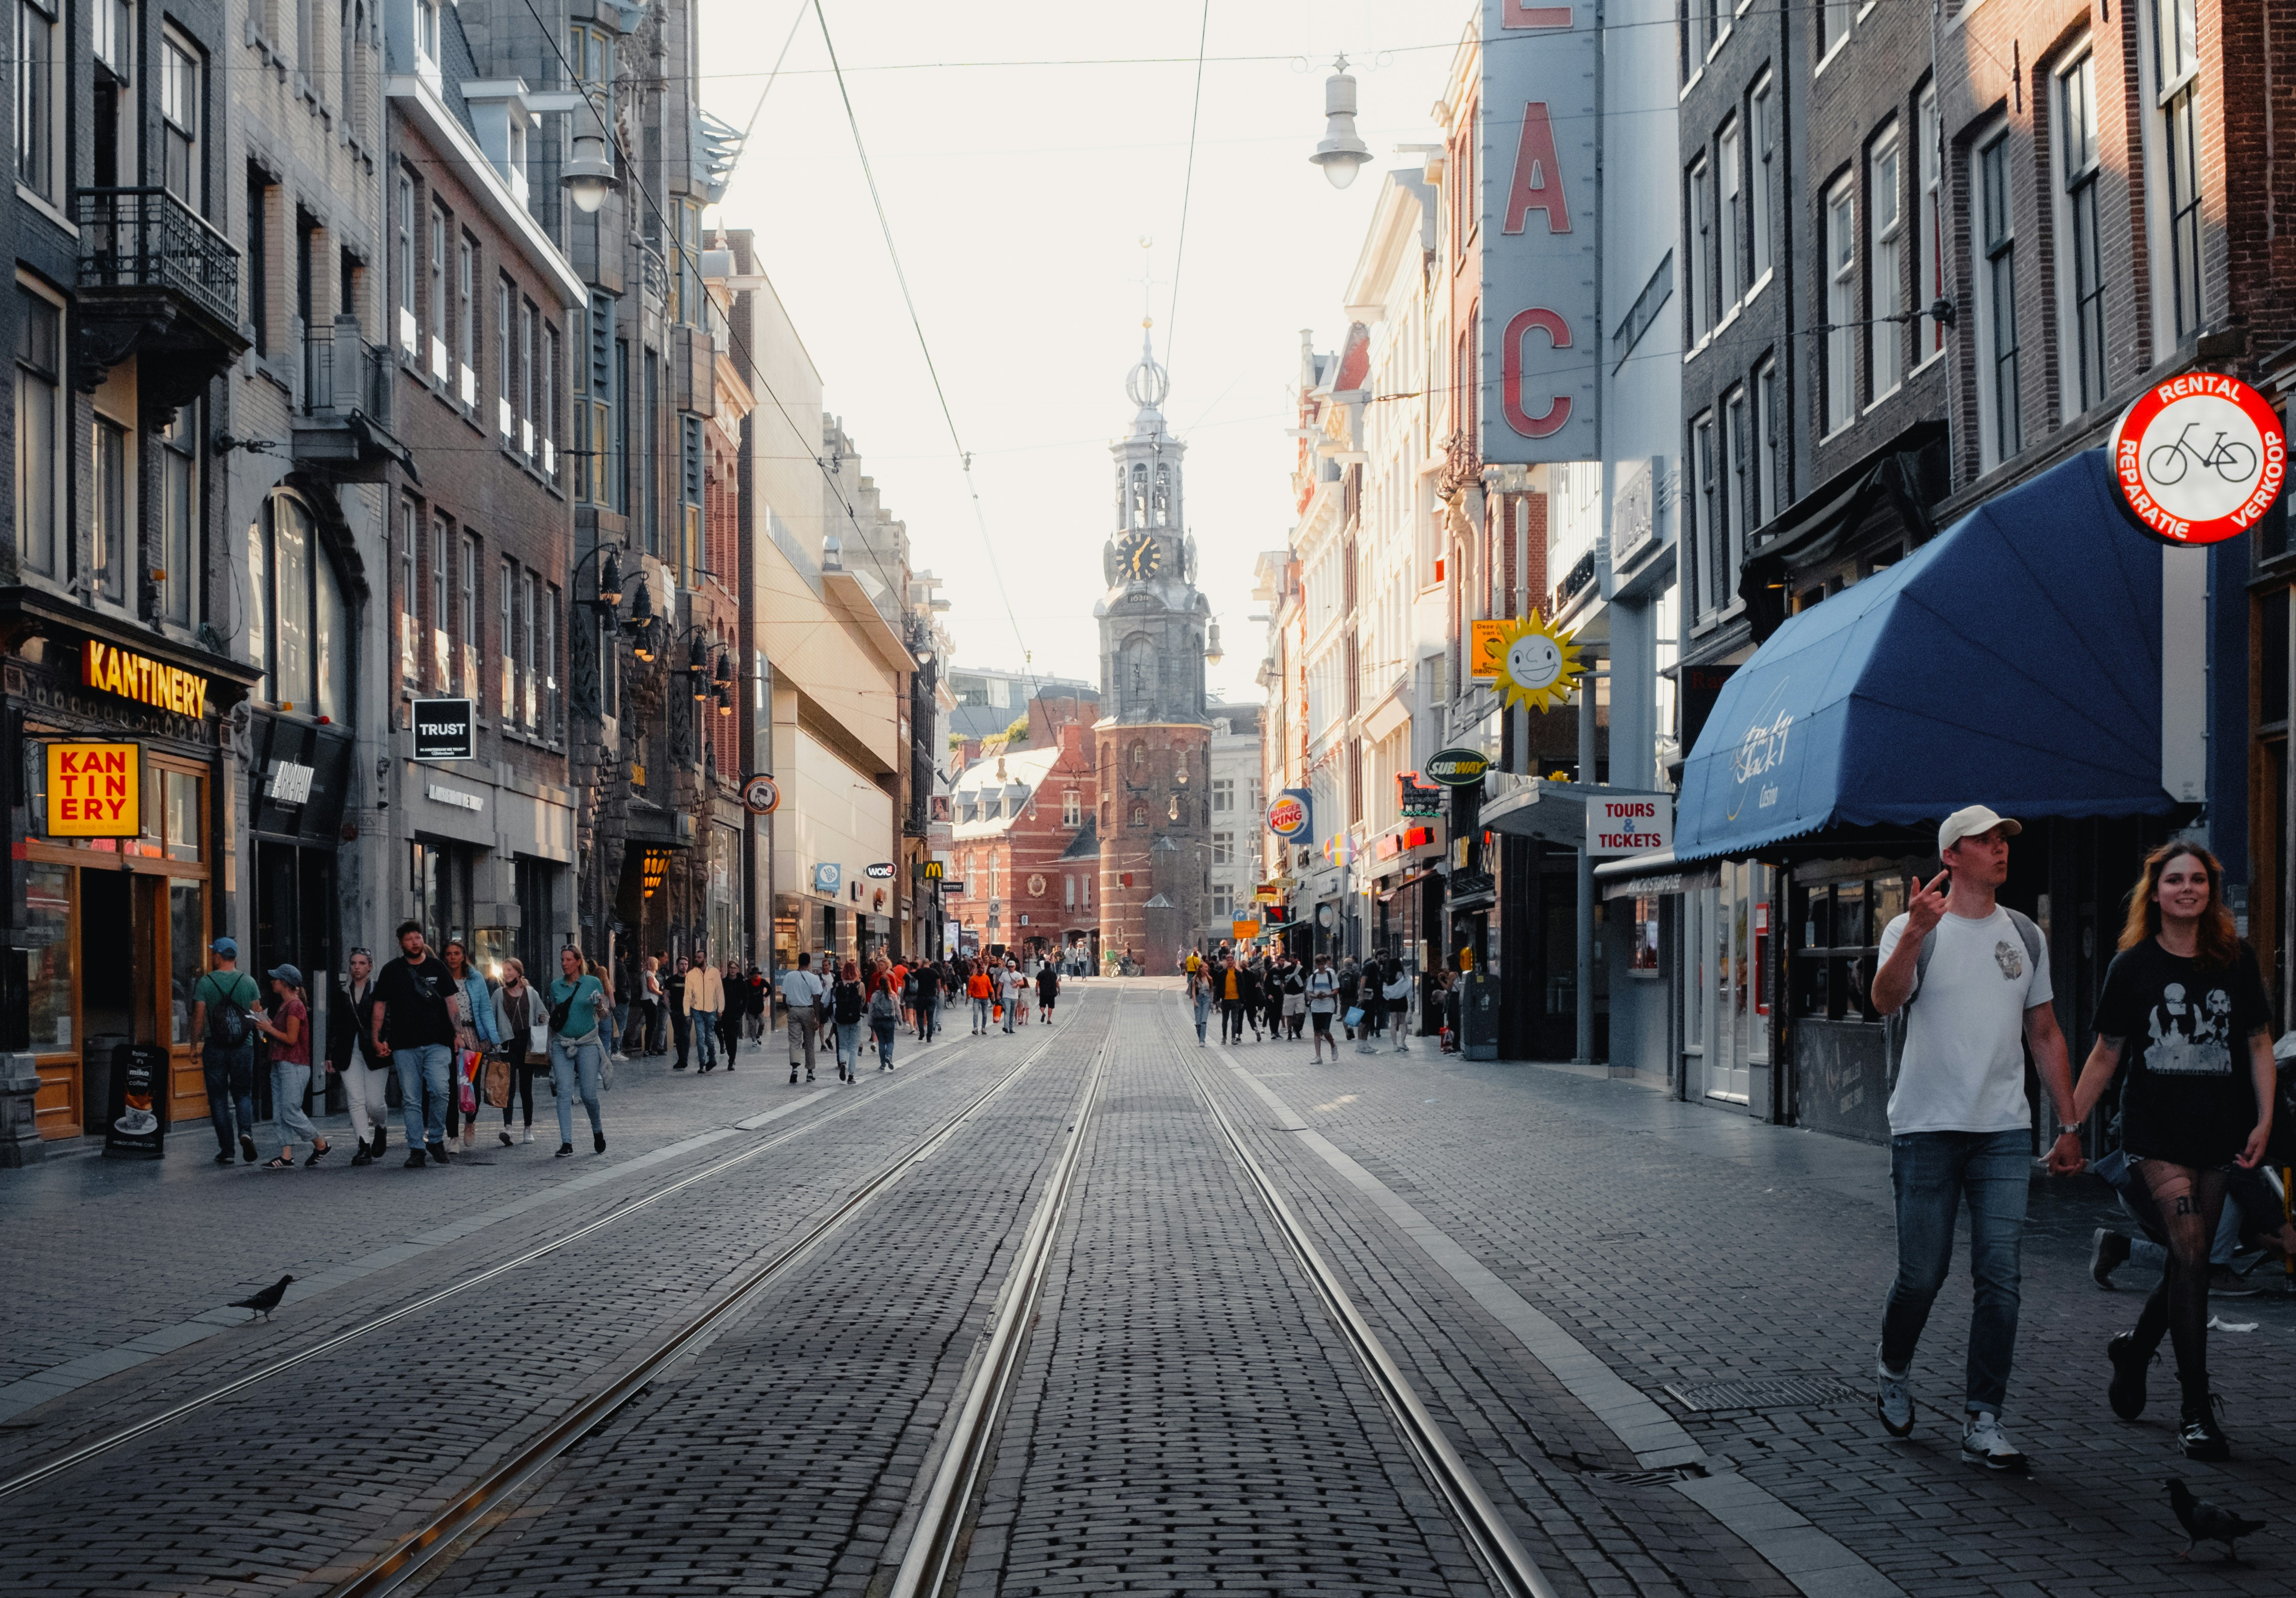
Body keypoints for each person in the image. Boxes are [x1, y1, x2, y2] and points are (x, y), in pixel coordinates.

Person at [1869, 806, 2076, 1473]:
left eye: (2001, 840)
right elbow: (1882, 1000)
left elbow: (2043, 1033)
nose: (1998, 849)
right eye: (1983, 841)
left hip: (2001, 1132)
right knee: (1921, 1276)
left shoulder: (2023, 934)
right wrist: (1910, 938)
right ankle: (1892, 1367)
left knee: (1999, 1278)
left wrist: (2067, 1124)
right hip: (1925, 1128)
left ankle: (1981, 1418)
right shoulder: (1911, 927)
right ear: (1950, 855)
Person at [2066, 843, 2276, 1461]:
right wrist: (2070, 1126)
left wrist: (2265, 1120)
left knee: (2187, 1265)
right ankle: (2195, 1409)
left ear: (2209, 891)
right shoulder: (2130, 968)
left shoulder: (2234, 962)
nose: (2187, 889)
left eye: (2198, 880)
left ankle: (2134, 1351)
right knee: (2189, 1250)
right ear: (2154, 892)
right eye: (2175, 880)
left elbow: (2259, 1042)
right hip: (2154, 1133)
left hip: (2219, 1132)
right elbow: (2107, 1052)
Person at [372, 921, 460, 1167]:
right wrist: (376, 1037)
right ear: (401, 943)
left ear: (423, 940)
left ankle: (435, 1138)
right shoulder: (391, 971)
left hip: (438, 1042)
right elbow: (380, 1006)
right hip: (404, 1044)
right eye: (409, 939)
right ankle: (416, 1148)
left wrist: (459, 1033)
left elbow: (451, 1003)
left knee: (441, 1090)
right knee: (411, 1098)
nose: (415, 943)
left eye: (418, 938)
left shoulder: (438, 967)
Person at [192, 937, 262, 1166]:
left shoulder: (206, 982)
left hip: (216, 1046)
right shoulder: (249, 982)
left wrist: (193, 1046)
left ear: (220, 956)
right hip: (244, 1045)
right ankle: (246, 1132)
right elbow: (256, 1015)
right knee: (243, 1094)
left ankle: (227, 1151)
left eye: (214, 953)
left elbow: (199, 1018)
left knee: (219, 1098)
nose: (213, 956)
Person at [250, 965, 328, 1168]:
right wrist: (265, 1021)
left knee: (290, 1110)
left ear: (285, 983)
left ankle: (320, 1143)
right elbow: (281, 1032)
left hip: (293, 1064)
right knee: (279, 1112)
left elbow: (291, 1039)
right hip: (281, 1063)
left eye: (276, 979)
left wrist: (268, 1028)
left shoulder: (295, 1006)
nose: (272, 982)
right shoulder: (286, 1005)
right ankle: (286, 1155)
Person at [546, 946, 609, 1156]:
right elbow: (554, 1017)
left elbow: (604, 1015)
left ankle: (598, 1131)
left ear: (578, 962)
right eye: (562, 960)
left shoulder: (593, 983)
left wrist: (599, 1004)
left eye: (568, 960)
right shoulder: (556, 986)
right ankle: (567, 1143)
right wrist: (548, 1040)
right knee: (564, 1093)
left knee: (588, 1094)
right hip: (562, 1043)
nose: (564, 963)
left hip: (588, 1043)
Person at [328, 949, 390, 1166]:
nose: (357, 967)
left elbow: (389, 1020)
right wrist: (330, 1055)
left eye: (362, 963)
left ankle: (381, 1126)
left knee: (374, 1103)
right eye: (353, 963)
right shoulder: (341, 992)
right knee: (355, 1099)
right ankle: (363, 1145)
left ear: (370, 966)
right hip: (348, 1052)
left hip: (375, 1051)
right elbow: (334, 1024)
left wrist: (387, 1042)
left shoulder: (380, 991)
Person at [440, 939, 502, 1152]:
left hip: (472, 1036)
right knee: (449, 1087)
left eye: (457, 953)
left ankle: (470, 1121)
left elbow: (485, 1009)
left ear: (464, 955)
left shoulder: (475, 978)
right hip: (447, 1036)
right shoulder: (440, 978)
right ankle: (453, 1138)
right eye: (449, 954)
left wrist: (494, 1039)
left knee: (470, 1085)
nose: (453, 958)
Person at [491, 958, 546, 1145]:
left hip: (527, 1043)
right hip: (508, 1043)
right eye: (504, 970)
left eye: (509, 970)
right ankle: (508, 1128)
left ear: (518, 972)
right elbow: (491, 1017)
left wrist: (541, 1018)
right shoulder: (499, 994)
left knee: (526, 1087)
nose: (506, 974)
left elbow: (543, 1014)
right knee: (508, 1086)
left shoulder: (531, 993)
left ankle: (528, 1129)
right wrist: (493, 1041)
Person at [780, 952, 826, 1082]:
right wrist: (817, 1017)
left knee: (794, 1041)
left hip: (793, 1010)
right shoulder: (814, 978)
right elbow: (816, 999)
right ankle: (810, 1072)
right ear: (809, 963)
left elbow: (784, 996)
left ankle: (794, 1069)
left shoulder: (789, 976)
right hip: (808, 1010)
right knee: (809, 1042)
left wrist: (789, 1009)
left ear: (798, 962)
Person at [686, 950, 724, 1073]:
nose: (697, 959)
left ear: (705, 958)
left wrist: (720, 1009)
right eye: (696, 957)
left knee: (709, 1037)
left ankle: (712, 1058)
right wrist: (687, 1012)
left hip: (711, 1010)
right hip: (696, 1010)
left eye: (699, 957)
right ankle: (702, 1064)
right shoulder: (691, 974)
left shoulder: (714, 972)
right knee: (700, 1037)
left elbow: (719, 991)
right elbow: (687, 995)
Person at [828, 960, 867, 1080]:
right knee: (854, 1047)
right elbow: (864, 1001)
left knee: (843, 1044)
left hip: (841, 1018)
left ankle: (843, 1062)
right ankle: (851, 1075)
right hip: (855, 1018)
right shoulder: (860, 985)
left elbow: (834, 999)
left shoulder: (839, 985)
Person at [1305, 954, 1340, 1062]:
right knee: (1317, 1032)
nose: (1320, 967)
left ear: (1325, 964)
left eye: (1322, 964)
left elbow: (1336, 990)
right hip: (1316, 1006)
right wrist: (1316, 996)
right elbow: (1309, 992)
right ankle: (1318, 1056)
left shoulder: (1331, 975)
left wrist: (1327, 995)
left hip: (1328, 1006)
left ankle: (1333, 1045)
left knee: (1325, 1031)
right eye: (1318, 964)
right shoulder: (1313, 977)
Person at [869, 972, 900, 1070]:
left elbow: (871, 1010)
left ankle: (883, 1063)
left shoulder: (875, 995)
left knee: (882, 1042)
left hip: (878, 1021)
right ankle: (889, 1056)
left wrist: (870, 1022)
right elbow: (897, 1008)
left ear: (879, 984)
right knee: (890, 1041)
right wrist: (900, 1020)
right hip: (889, 1020)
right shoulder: (893, 995)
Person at [717, 958, 745, 1069]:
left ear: (738, 970)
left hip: (736, 1014)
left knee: (734, 1037)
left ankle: (732, 1060)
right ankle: (730, 1055)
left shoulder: (742, 983)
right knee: (727, 1037)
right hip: (725, 1014)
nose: (733, 970)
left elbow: (746, 999)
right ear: (728, 969)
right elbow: (718, 996)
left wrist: (741, 1012)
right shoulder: (723, 983)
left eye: (735, 968)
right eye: (731, 968)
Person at [1382, 961, 1415, 1054]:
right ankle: (1403, 1043)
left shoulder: (1387, 976)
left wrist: (1388, 997)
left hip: (1392, 1001)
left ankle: (1395, 1045)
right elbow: (1409, 987)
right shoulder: (1403, 975)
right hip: (1402, 1000)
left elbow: (1384, 990)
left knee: (1393, 1022)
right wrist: (1411, 999)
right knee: (1403, 1022)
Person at [665, 956, 690, 1068]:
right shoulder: (671, 980)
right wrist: (669, 1009)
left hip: (687, 1012)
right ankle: (681, 1059)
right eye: (682, 964)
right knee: (678, 1036)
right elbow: (665, 995)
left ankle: (684, 1059)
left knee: (685, 1035)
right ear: (677, 966)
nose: (684, 967)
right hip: (675, 1011)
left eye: (686, 964)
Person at [1190, 957, 1215, 1045]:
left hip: (1206, 1000)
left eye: (1207, 967)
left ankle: (1202, 1040)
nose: (1207, 968)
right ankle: (1200, 1037)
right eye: (1205, 967)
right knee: (1198, 1023)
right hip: (1199, 999)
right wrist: (1195, 1001)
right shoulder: (1195, 979)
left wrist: (1211, 1002)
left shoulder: (1209, 979)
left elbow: (1211, 990)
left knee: (1204, 1021)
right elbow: (1193, 991)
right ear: (1201, 968)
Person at [967, 960, 995, 1034]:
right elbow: (970, 988)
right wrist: (968, 997)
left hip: (985, 998)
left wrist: (992, 994)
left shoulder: (986, 977)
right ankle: (975, 1028)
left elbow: (990, 987)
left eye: (983, 969)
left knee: (985, 1014)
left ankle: (983, 1028)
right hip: (976, 998)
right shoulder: (973, 978)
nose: (983, 970)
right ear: (978, 969)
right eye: (981, 968)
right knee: (976, 1013)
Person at [1037, 958, 1060, 1024]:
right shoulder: (1053, 973)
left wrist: (1036, 990)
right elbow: (1057, 982)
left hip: (1043, 992)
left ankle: (1043, 1013)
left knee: (1042, 1005)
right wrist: (1059, 989)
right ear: (1050, 966)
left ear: (1044, 966)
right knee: (1051, 1006)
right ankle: (1049, 1020)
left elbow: (1038, 982)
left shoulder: (1041, 973)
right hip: (1052, 992)